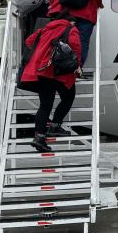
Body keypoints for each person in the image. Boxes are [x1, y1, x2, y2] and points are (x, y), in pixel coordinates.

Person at [20, 12, 82, 152]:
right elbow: (76, 48)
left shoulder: (44, 29)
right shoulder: (71, 30)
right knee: (68, 98)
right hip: (59, 72)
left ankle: (39, 137)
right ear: (70, 21)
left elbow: (29, 41)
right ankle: (55, 125)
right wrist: (77, 66)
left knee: (45, 105)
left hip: (42, 71)